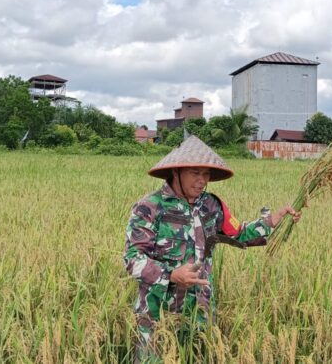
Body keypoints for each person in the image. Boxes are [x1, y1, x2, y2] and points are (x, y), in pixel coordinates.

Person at [123, 135, 301, 362]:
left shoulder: (211, 205)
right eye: (195, 173)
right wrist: (171, 275)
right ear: (176, 172)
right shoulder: (149, 207)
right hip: (159, 314)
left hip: (200, 311)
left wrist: (272, 221)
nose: (202, 181)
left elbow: (239, 234)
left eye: (206, 174)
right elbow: (132, 258)